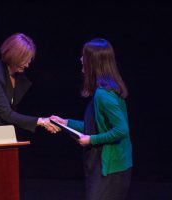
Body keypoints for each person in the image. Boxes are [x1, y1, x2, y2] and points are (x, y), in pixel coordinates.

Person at [51, 38, 132, 200]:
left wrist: (91, 140)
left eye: (84, 56)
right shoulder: (104, 91)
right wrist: (65, 123)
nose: (81, 59)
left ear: (93, 62)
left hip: (110, 167)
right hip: (110, 165)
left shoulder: (103, 95)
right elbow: (96, 126)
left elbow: (122, 129)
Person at [0, 33, 59, 133]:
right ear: (13, 56)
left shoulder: (19, 75)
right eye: (24, 59)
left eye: (29, 59)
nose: (27, 64)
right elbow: (5, 113)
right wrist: (41, 121)